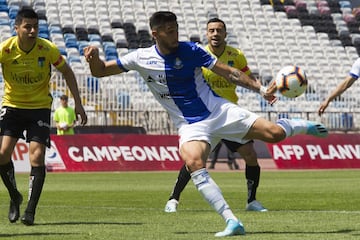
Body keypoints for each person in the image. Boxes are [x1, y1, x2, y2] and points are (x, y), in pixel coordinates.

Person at [84, 11, 328, 237]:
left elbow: (228, 72)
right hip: (190, 124)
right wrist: (93, 58)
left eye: (176, 28)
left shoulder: (191, 50)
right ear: (155, 34)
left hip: (218, 110)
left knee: (274, 134)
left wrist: (260, 89)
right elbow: (101, 71)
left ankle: (296, 125)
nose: (175, 34)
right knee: (193, 162)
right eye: (169, 30)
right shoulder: (140, 57)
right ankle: (231, 221)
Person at [165, 18, 268, 215]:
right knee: (194, 161)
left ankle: (252, 200)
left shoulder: (236, 55)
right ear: (206, 34)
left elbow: (247, 77)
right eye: (211, 30)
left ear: (225, 34)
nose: (215, 34)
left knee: (251, 155)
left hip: (228, 116)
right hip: (205, 117)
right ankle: (173, 199)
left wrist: (261, 90)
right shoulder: (199, 54)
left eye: (219, 30)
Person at [0, 7, 87, 226]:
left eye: (35, 27)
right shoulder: (5, 50)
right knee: (2, 154)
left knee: (36, 157)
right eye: (27, 27)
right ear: (17, 27)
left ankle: (30, 211)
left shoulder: (46, 49)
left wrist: (78, 103)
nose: (32, 31)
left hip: (39, 108)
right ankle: (15, 196)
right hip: (12, 106)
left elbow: (67, 71)